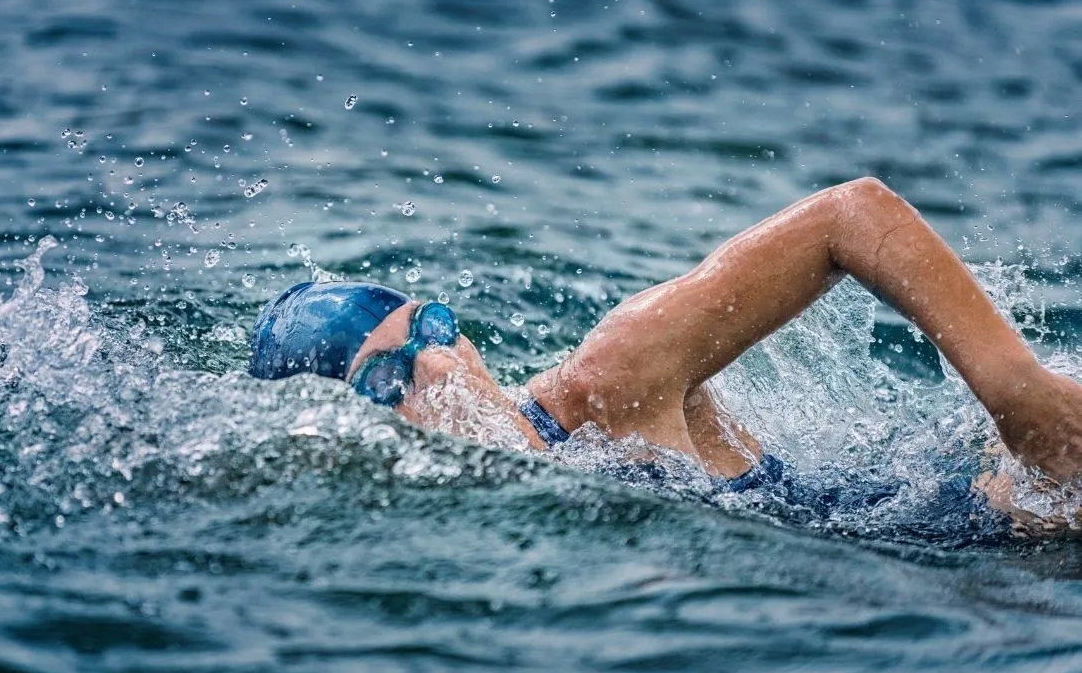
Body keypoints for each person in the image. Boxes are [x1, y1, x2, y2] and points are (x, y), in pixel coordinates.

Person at [249, 177, 1082, 533]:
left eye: (430, 330)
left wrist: (1023, 400)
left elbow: (851, 215)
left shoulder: (608, 380)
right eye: (389, 377)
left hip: (1017, 502)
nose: (437, 366)